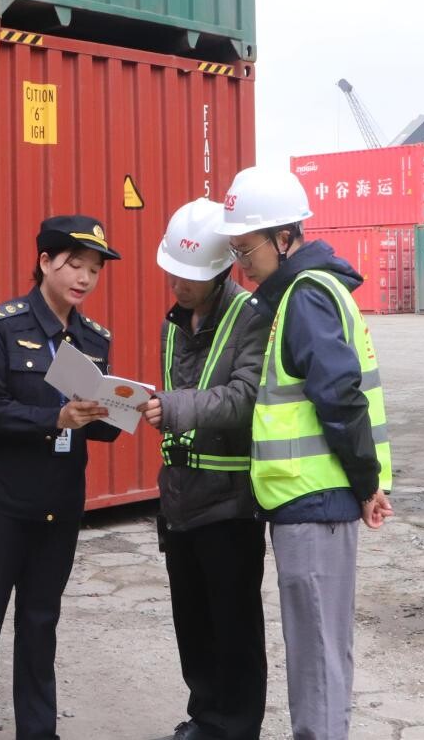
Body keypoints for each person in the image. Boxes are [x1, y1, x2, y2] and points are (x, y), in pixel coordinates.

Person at [214, 166, 394, 740]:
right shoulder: (305, 292)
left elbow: (339, 395)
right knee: (321, 646)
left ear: (285, 237)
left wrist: (365, 483)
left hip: (316, 499)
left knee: (316, 652)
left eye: (247, 248)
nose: (241, 263)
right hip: (309, 498)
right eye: (236, 250)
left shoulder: (305, 297)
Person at [0, 216, 121, 740]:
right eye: (74, 265)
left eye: (94, 270)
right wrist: (55, 418)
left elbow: (100, 428)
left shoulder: (93, 338)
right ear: (45, 262)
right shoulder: (4, 325)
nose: (85, 278)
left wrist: (121, 409)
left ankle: (39, 730)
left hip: (58, 502)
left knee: (41, 621)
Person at [140, 198, 269, 740]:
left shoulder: (252, 316)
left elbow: (245, 398)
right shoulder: (174, 323)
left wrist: (172, 407)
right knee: (192, 623)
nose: (177, 284)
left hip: (230, 503)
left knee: (234, 628)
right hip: (181, 498)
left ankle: (236, 727)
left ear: (220, 271)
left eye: (189, 276)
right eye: (172, 272)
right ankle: (206, 718)